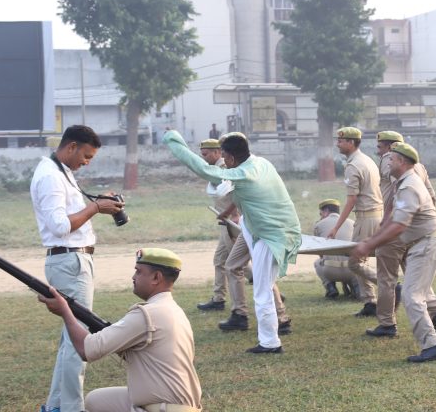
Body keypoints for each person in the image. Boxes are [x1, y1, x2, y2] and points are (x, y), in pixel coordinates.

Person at [164, 130, 301, 354]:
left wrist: (174, 142)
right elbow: (235, 191)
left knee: (262, 289)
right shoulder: (260, 162)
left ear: (232, 158)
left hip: (272, 233)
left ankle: (270, 342)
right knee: (234, 264)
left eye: (225, 157)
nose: (223, 162)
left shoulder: (244, 173)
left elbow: (203, 169)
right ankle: (244, 316)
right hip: (258, 224)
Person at [351, 143, 436, 363]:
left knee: (412, 297)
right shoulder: (404, 184)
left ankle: (432, 347)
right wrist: (372, 240)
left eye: (391, 159)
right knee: (422, 297)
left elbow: (399, 225)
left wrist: (369, 245)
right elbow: (391, 219)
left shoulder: (409, 185)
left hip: (426, 244)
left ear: (402, 161)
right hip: (423, 244)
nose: (387, 162)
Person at [30, 125, 125, 412]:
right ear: (71, 147)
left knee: (70, 338)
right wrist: (95, 208)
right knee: (79, 340)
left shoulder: (62, 172)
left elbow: (68, 215)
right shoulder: (50, 176)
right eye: (86, 156)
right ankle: (71, 408)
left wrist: (97, 201)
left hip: (73, 260)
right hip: (69, 260)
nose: (87, 162)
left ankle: (57, 406)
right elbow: (60, 226)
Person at [37, 248, 202, 412]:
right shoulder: (172, 309)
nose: (133, 277)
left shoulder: (148, 313)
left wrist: (65, 312)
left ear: (156, 277)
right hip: (176, 404)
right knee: (95, 400)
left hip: (164, 408)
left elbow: (86, 350)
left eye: (138, 272)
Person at [368, 131, 436, 339]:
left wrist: (385, 225)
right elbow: (432, 197)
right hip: (415, 230)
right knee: (415, 278)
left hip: (396, 226)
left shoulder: (391, 162)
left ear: (391, 148)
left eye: (380, 147)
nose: (379, 152)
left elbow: (391, 197)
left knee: (387, 278)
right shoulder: (419, 167)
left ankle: (387, 323)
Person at [326, 126, 382, 317]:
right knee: (364, 260)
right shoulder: (367, 160)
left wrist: (335, 227)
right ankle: (371, 302)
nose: (338, 144)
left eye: (341, 141)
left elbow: (351, 200)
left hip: (366, 218)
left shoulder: (353, 165)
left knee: (355, 262)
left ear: (351, 143)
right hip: (377, 215)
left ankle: (383, 289)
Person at [195, 138, 238, 312]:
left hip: (232, 222)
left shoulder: (225, 168)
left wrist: (231, 213)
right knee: (220, 260)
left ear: (217, 152)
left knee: (238, 264)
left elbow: (237, 192)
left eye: (206, 154)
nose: (204, 158)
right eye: (202, 155)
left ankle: (272, 292)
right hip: (225, 222)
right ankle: (218, 299)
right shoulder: (214, 170)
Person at [312, 199, 357, 299]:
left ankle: (330, 287)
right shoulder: (352, 223)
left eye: (321, 213)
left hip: (330, 271)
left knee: (317, 262)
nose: (321, 216)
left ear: (326, 211)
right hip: (352, 270)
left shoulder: (319, 225)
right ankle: (355, 287)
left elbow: (320, 253)